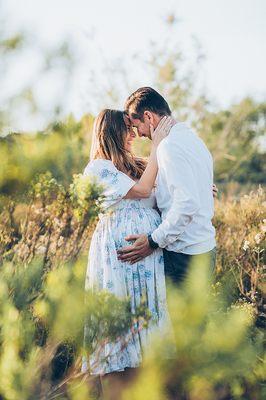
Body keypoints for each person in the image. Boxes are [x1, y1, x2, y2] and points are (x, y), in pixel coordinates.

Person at [80, 109, 174, 399]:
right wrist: (158, 143)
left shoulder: (140, 163)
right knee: (118, 325)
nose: (134, 134)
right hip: (117, 257)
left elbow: (163, 194)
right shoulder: (98, 168)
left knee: (146, 324)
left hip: (149, 253)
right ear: (110, 133)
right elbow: (144, 190)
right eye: (127, 129)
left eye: (133, 129)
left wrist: (194, 190)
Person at [117, 87, 217, 286]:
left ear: (148, 116)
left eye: (137, 127)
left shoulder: (168, 146)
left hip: (184, 256)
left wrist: (153, 241)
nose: (139, 134)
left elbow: (186, 204)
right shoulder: (194, 140)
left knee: (182, 318)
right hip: (205, 248)